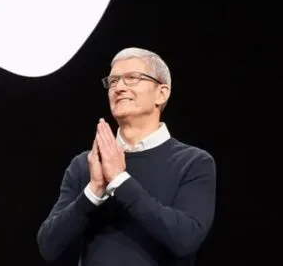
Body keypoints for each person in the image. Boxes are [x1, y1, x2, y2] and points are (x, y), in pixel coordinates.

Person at [37, 47, 217, 265]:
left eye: (132, 78)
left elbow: (186, 239)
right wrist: (93, 191)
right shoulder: (86, 165)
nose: (119, 88)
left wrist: (120, 181)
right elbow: (49, 246)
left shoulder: (194, 162)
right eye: (113, 82)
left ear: (162, 93)